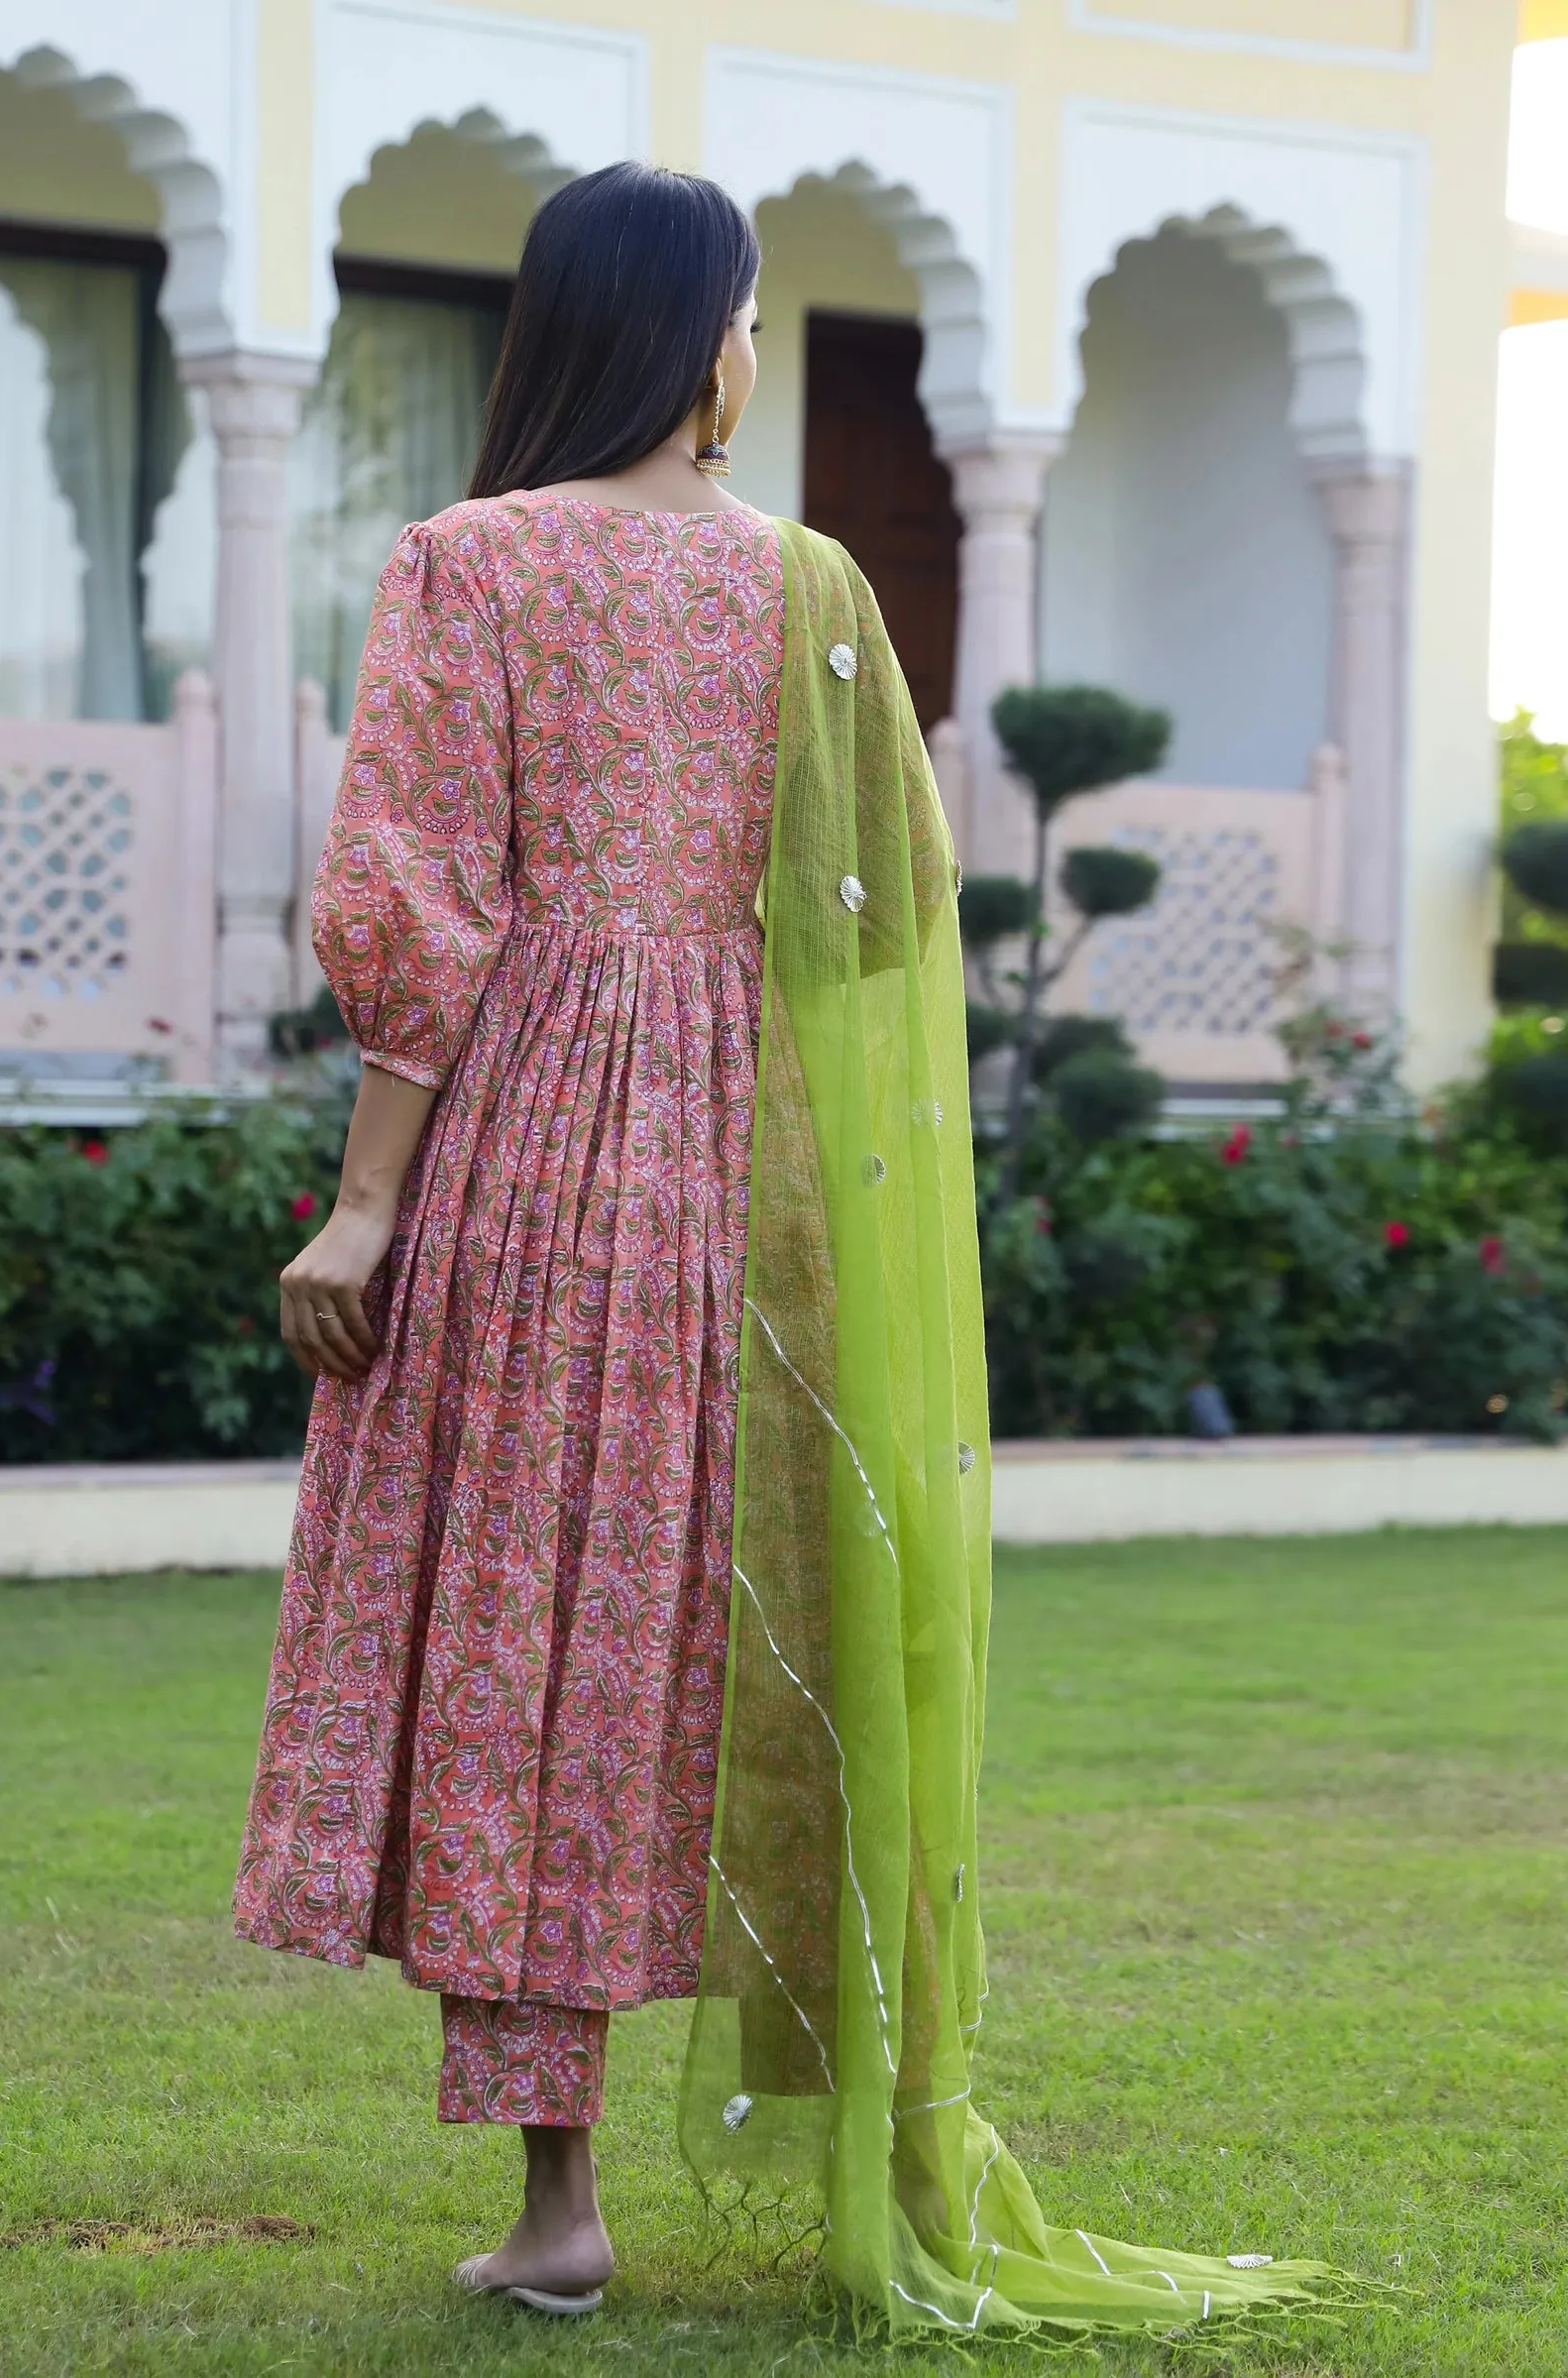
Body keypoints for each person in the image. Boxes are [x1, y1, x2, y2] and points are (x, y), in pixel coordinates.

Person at [235, 161, 1333, 2340]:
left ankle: (559, 2196)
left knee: (525, 1638)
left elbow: (417, 909)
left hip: (535, 1157)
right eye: (744, 311)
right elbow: (896, 913)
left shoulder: (472, 568)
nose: (752, 349)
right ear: (696, 339)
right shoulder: (817, 592)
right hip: (763, 1188)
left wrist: (365, 1198)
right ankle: (829, 2095)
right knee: (714, 1629)